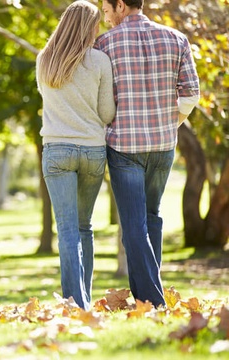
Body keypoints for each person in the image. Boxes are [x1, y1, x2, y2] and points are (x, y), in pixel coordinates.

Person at [94, 0, 200, 307]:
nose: (105, 16)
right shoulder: (176, 38)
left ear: (122, 6)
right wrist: (170, 123)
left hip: (124, 147)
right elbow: (191, 93)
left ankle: (153, 300)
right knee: (151, 217)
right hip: (163, 145)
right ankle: (148, 299)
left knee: (134, 225)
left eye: (106, 10)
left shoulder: (105, 43)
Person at [36, 0, 116, 310]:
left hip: (57, 151)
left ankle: (75, 302)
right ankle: (84, 297)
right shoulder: (99, 61)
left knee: (67, 228)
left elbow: (51, 103)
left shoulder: (44, 59)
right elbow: (107, 113)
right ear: (89, 27)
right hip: (93, 151)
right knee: (84, 226)